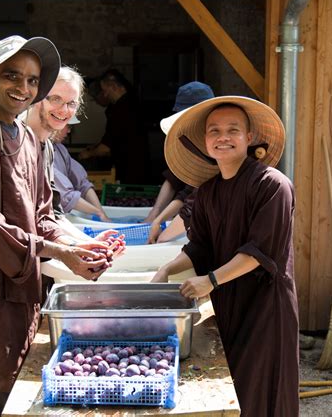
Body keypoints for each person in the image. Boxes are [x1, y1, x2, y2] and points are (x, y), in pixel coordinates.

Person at [0, 36, 120, 417]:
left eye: (33, 81)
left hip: (21, 284)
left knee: (17, 391)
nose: (23, 88)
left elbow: (42, 214)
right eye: (12, 76)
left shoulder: (27, 139)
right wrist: (61, 253)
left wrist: (84, 246)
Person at [152, 96, 299, 416]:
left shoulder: (273, 185)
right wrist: (167, 268)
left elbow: (259, 253)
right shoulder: (207, 193)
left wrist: (211, 280)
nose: (223, 137)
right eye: (214, 130)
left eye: (233, 130)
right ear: (205, 141)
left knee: (264, 394)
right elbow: (200, 246)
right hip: (227, 302)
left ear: (249, 138)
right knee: (234, 395)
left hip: (265, 308)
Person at [25, 66, 110, 222]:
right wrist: (99, 214)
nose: (64, 110)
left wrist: (100, 213)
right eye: (56, 99)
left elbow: (81, 185)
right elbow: (66, 197)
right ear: (37, 97)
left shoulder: (51, 148)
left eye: (72, 103)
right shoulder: (20, 143)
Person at [145, 82, 214, 243]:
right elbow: (185, 192)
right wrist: (157, 218)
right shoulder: (192, 144)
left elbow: (194, 204)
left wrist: (162, 238)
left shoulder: (215, 152)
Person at [78, 69, 146, 184]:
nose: (104, 95)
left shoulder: (121, 110)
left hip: (129, 169)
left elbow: (106, 148)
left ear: (113, 86)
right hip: (138, 166)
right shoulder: (131, 102)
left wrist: (88, 154)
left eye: (105, 91)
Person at [51, 114, 111, 221]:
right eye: (68, 126)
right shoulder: (40, 152)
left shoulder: (60, 149)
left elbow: (83, 184)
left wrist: (101, 213)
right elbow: (66, 196)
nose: (69, 131)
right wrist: (98, 212)